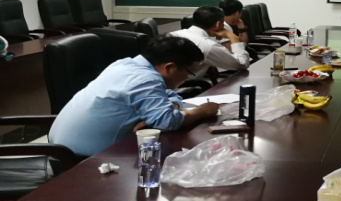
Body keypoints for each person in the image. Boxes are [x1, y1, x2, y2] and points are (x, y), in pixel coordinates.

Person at [48, 36, 219, 157]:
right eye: (189, 73)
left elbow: (168, 97)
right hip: (80, 159)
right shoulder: (145, 79)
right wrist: (202, 111)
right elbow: (167, 121)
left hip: (60, 147)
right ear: (169, 67)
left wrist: (165, 109)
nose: (188, 78)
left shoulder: (126, 65)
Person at [169, 5, 250, 80]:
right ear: (218, 24)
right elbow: (242, 64)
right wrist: (232, 37)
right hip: (181, 84)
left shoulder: (172, 34)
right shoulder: (208, 46)